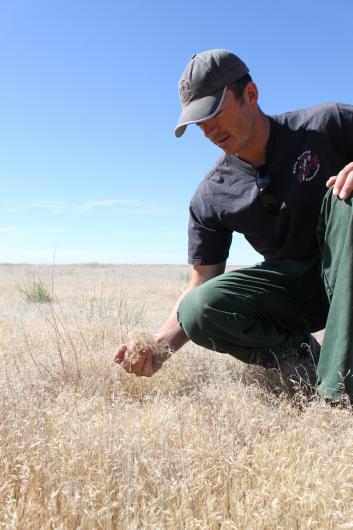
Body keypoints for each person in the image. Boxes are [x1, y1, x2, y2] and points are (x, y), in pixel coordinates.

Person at [115, 49, 353, 402]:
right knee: (198, 308)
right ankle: (307, 364)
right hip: (298, 292)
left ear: (251, 95)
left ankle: (337, 397)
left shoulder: (327, 124)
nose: (208, 130)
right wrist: (159, 348)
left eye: (213, 113)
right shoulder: (210, 195)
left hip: (347, 263)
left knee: (346, 195)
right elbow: (201, 283)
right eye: (198, 123)